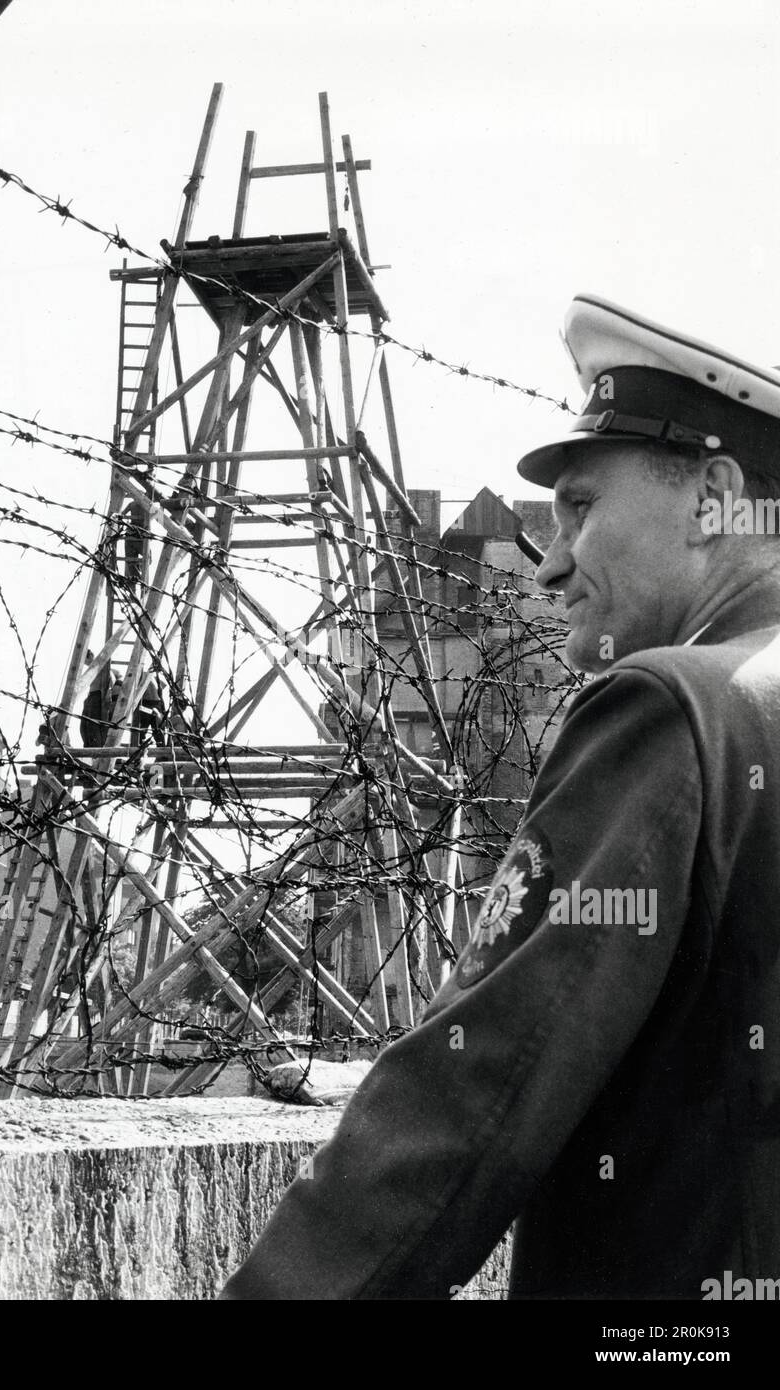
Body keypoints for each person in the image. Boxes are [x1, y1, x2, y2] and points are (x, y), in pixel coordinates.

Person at [220, 294, 780, 1300]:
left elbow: (469, 1099)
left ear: (712, 497)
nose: (551, 559)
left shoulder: (670, 712)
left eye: (579, 508)